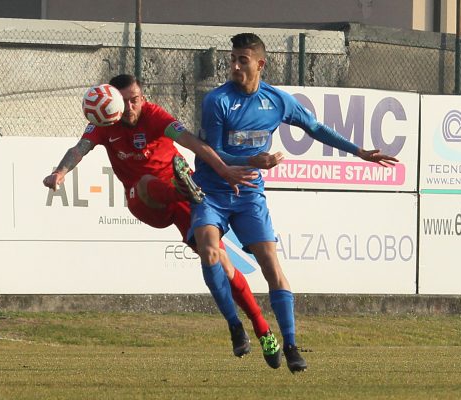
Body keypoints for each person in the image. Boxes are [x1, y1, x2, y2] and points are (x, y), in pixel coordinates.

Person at [189, 33, 399, 373]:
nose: (235, 66)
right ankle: (235, 325)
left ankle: (290, 344)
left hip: (249, 196)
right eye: (232, 59)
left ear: (260, 64)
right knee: (209, 250)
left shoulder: (277, 101)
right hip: (212, 191)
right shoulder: (218, 101)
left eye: (242, 60)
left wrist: (359, 151)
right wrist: (256, 160)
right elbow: (212, 153)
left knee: (272, 264)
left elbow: (315, 127)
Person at [43, 74, 282, 366]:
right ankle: (183, 188)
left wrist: (221, 169)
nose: (131, 106)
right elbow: (79, 149)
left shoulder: (155, 115)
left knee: (219, 259)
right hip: (144, 199)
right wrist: (60, 172)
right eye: (125, 101)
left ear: (143, 98)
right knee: (144, 180)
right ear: (114, 102)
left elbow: (191, 142)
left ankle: (257, 328)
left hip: (181, 199)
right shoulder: (105, 123)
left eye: (136, 99)